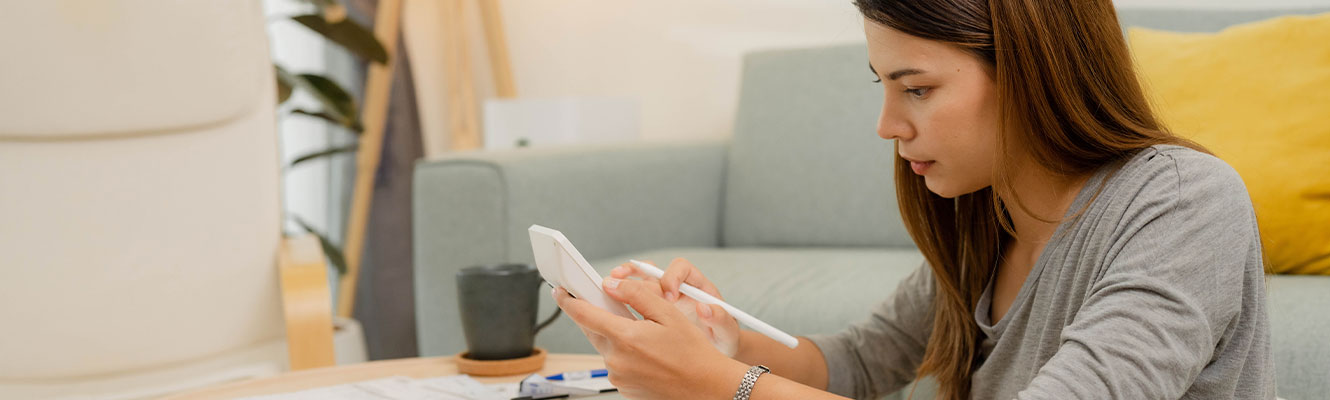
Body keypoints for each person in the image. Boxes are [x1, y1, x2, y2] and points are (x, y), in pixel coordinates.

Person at [551, 0, 1276, 399]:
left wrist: (728, 387)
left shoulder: (1185, 203)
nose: (887, 125)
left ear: (1031, 70)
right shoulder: (989, 219)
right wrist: (727, 339)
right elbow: (863, 364)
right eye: (885, 85)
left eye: (917, 88)